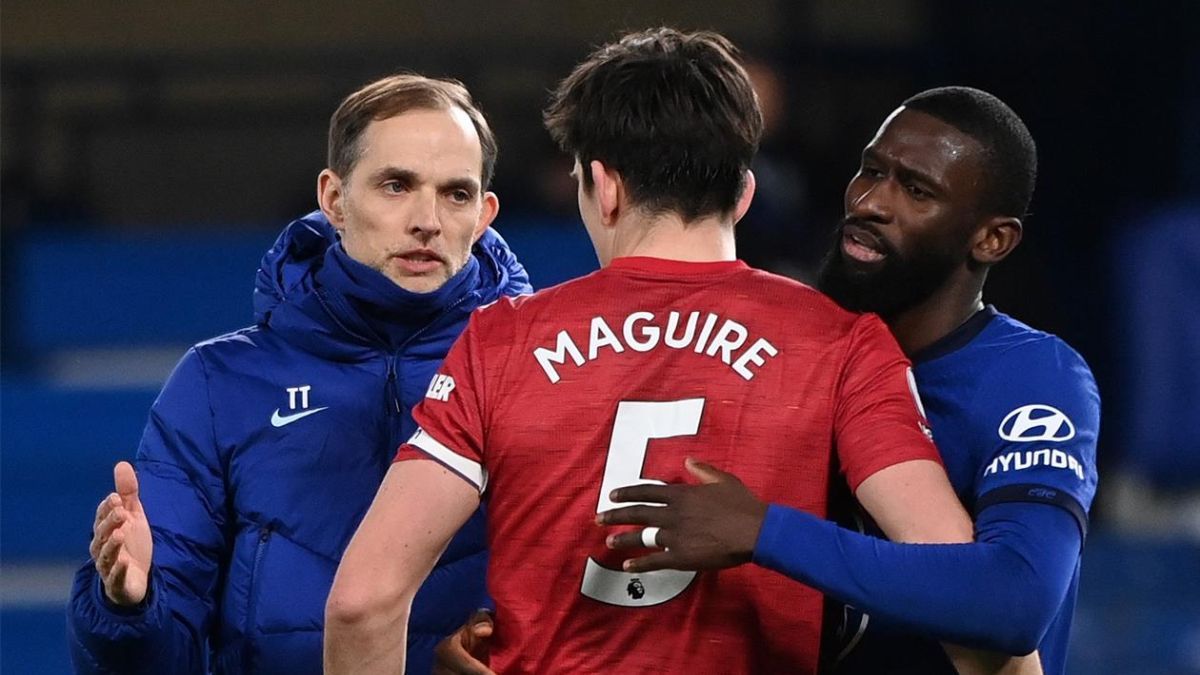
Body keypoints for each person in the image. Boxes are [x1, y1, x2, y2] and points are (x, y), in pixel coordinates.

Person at [324, 29, 992, 675]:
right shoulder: (841, 343)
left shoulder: (502, 341)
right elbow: (965, 594)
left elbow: (364, 601)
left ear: (604, 186)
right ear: (744, 192)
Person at [602, 87, 1099, 675]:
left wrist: (766, 532)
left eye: (915, 191)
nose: (869, 203)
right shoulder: (775, 347)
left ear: (991, 239)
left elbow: (1015, 602)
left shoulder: (1031, 377)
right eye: (870, 170)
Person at [66, 73, 532, 675]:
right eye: (396, 185)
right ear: (334, 199)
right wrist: (128, 607)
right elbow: (157, 657)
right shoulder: (219, 382)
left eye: (456, 194)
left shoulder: (544, 367)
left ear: (486, 214)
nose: (427, 220)